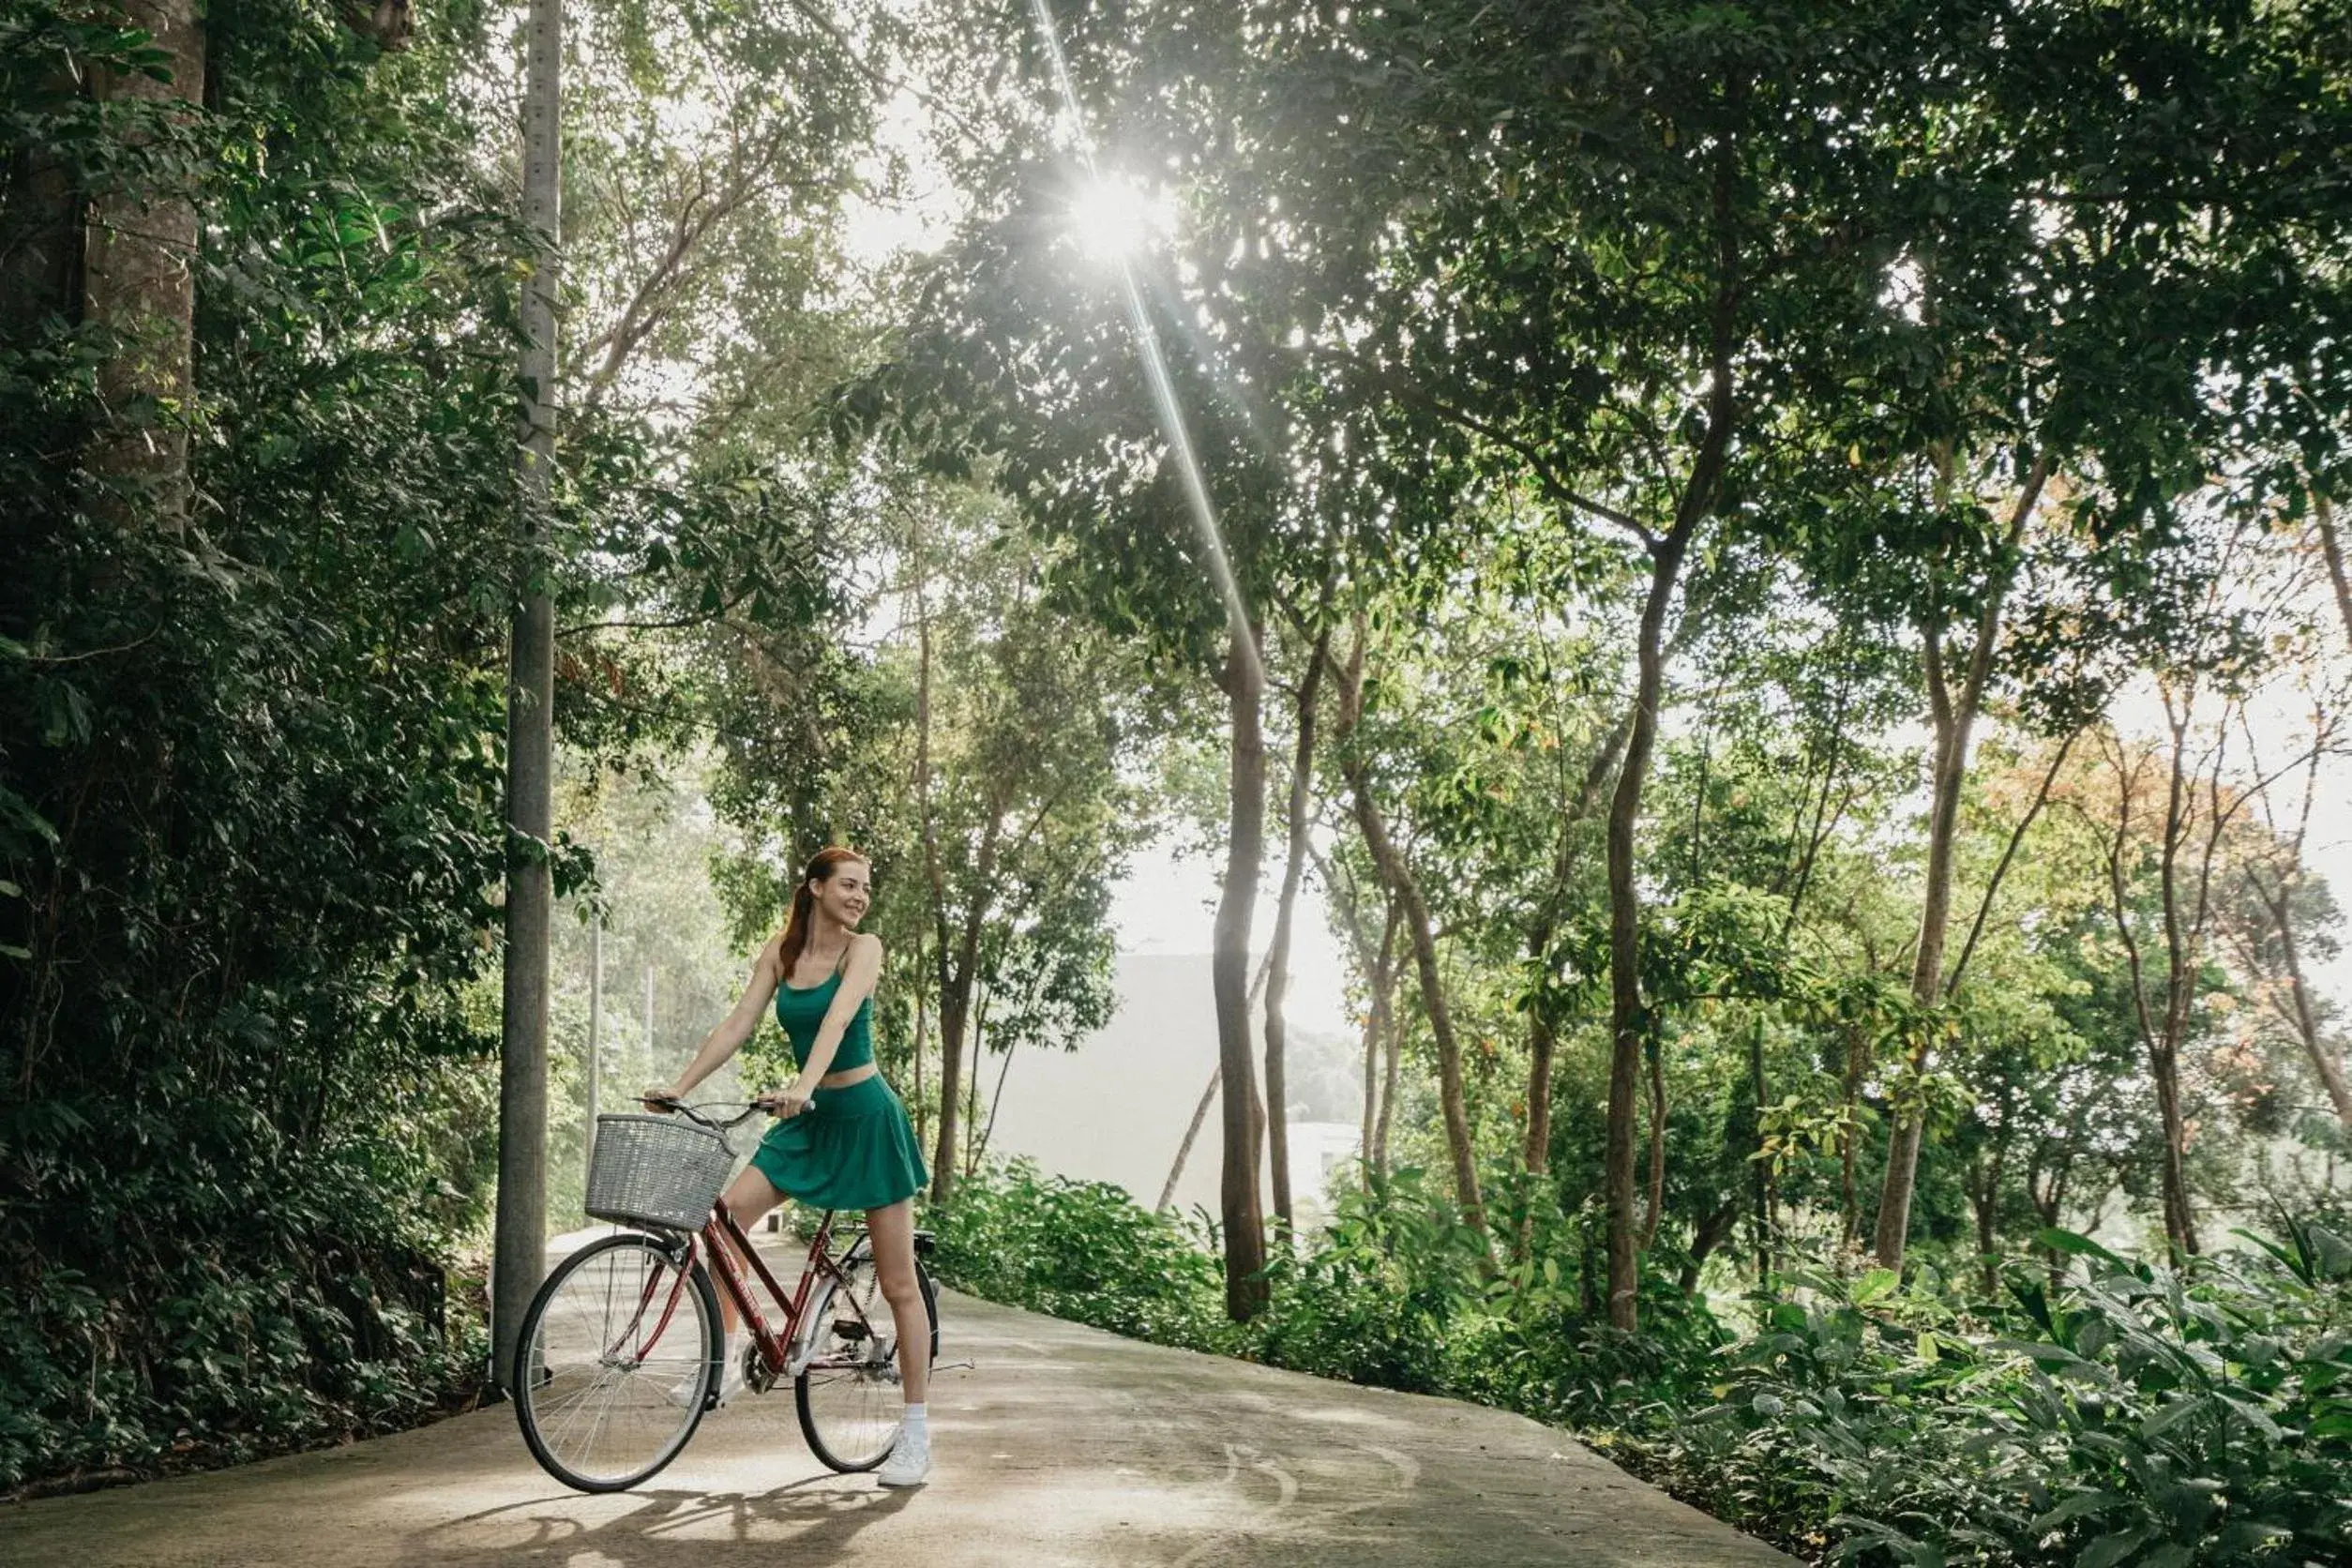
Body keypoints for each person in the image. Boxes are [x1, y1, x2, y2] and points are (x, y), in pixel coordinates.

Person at [641, 845, 935, 1488]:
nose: (860, 896)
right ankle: (721, 1365)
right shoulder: (781, 951)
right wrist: (680, 1087)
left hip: (867, 1119)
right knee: (726, 1217)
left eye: (866, 887)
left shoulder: (866, 949)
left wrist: (802, 1084)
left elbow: (838, 1018)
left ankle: (915, 1433)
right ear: (816, 887)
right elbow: (738, 1023)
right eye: (850, 885)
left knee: (899, 1284)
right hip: (810, 1120)